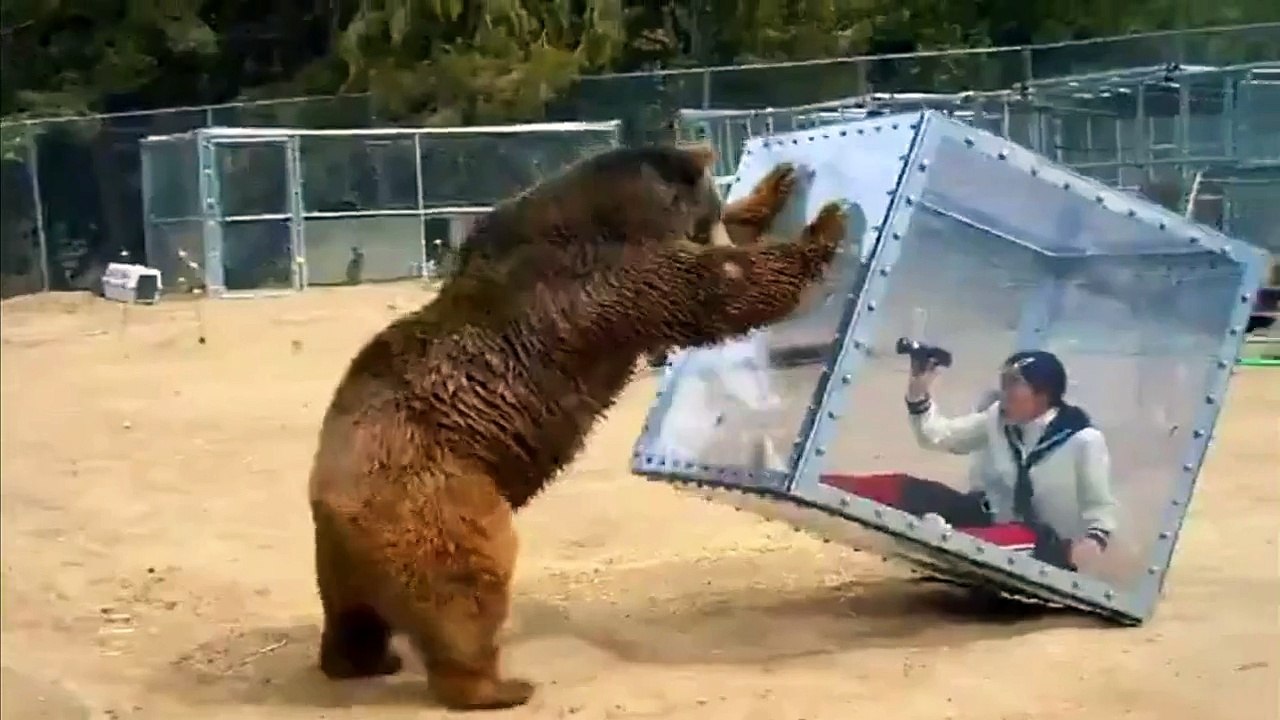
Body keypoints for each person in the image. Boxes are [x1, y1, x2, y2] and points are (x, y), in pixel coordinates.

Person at [901, 349, 1119, 572]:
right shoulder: (998, 420)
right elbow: (940, 436)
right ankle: (946, 537)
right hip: (994, 519)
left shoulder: (1083, 440)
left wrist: (1094, 541)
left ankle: (947, 539)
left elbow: (1100, 507)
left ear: (1042, 393)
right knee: (908, 491)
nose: (1004, 393)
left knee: (996, 540)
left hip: (1047, 543)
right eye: (1003, 383)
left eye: (1013, 384)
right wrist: (918, 387)